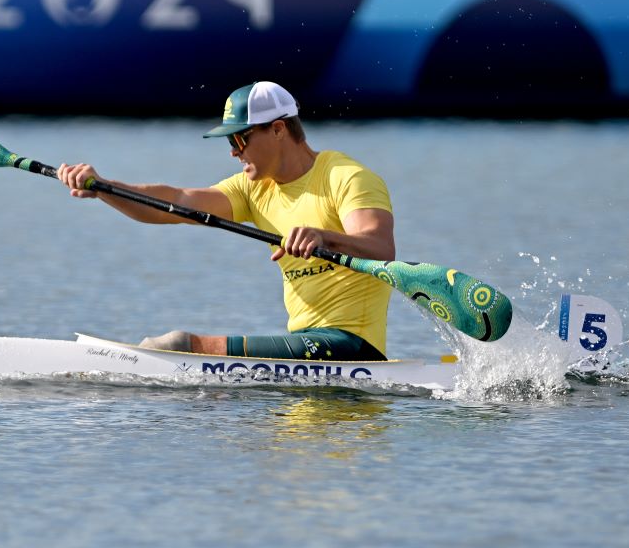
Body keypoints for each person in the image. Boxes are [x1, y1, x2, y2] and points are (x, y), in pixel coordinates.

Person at [56, 81, 396, 360]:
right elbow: (174, 203)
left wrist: (324, 237)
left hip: (352, 346)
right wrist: (104, 188)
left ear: (278, 129)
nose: (234, 152)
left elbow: (380, 247)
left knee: (176, 347)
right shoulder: (254, 189)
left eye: (240, 139)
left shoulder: (346, 177)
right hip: (307, 345)